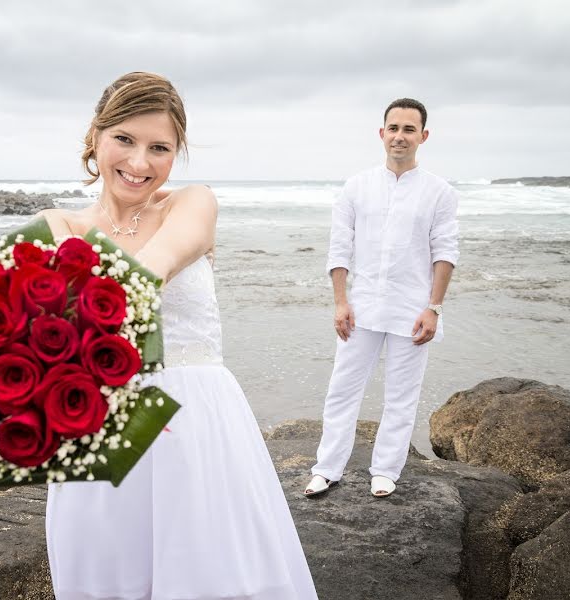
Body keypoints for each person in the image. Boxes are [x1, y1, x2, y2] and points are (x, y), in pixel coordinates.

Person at [41, 72, 318, 600]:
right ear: (95, 136)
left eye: (159, 147)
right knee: (108, 575)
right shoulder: (57, 224)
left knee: (213, 575)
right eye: (124, 139)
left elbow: (157, 266)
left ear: (177, 152)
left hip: (196, 422)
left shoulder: (193, 203)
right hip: (100, 427)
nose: (139, 162)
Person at [304, 98, 459, 499]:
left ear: (423, 137)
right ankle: (327, 468)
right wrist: (340, 301)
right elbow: (340, 247)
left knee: (402, 396)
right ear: (382, 133)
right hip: (362, 307)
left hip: (412, 309)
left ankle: (386, 469)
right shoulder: (357, 186)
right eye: (394, 128)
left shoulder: (439, 192)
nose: (400, 136)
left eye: (409, 129)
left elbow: (445, 251)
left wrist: (434, 308)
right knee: (342, 389)